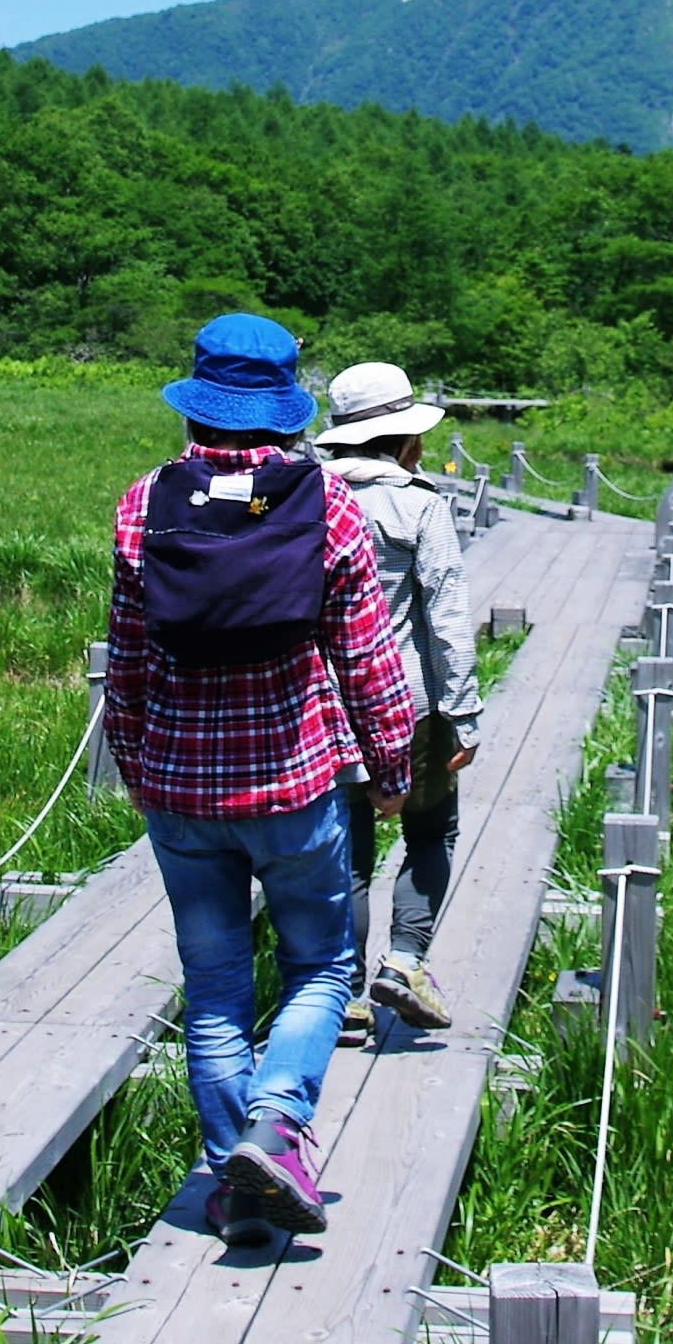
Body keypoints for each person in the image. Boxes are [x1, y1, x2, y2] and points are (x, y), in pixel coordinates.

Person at [103, 315, 418, 1247]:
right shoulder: (327, 503)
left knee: (214, 986)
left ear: (199, 397)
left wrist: (135, 764)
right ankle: (279, 1125)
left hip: (179, 793)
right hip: (294, 780)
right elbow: (368, 659)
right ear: (284, 405)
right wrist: (393, 768)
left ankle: (230, 1182)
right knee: (320, 965)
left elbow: (127, 663)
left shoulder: (143, 502)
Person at [310, 362, 485, 1035]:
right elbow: (446, 619)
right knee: (430, 829)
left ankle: (343, 992)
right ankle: (404, 960)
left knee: (346, 849)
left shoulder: (306, 499)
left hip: (322, 707)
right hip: (407, 703)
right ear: (407, 443)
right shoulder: (420, 505)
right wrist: (462, 714)